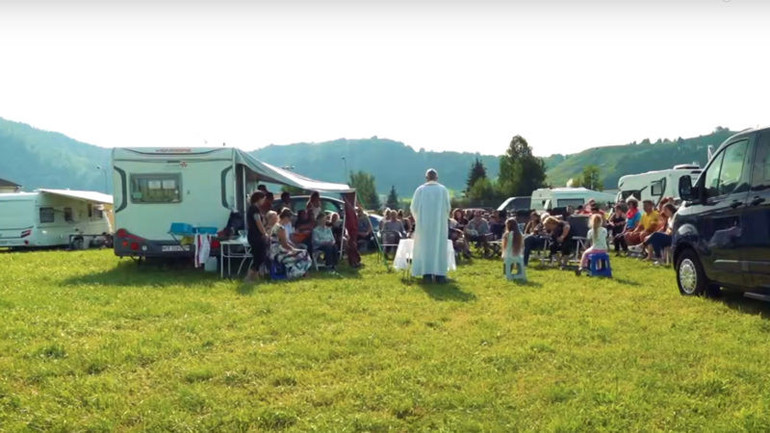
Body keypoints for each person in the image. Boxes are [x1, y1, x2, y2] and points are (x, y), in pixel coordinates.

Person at [410, 168, 451, 283]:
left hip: (424, 227)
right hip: (439, 226)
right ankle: (440, 275)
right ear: (436, 178)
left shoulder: (420, 190)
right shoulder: (443, 190)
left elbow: (413, 208)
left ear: (426, 178)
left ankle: (426, 274)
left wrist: (420, 221)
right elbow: (448, 208)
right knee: (439, 248)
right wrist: (442, 219)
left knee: (425, 248)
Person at [270, 208, 312, 278]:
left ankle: (302, 273)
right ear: (286, 218)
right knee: (304, 254)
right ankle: (298, 273)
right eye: (289, 219)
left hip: (274, 251)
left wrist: (294, 248)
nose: (290, 221)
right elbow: (285, 245)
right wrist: (294, 249)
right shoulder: (280, 228)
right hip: (279, 253)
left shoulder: (275, 226)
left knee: (301, 252)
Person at [244, 191, 269, 282]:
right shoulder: (254, 209)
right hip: (256, 236)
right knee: (259, 257)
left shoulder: (253, 209)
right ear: (259, 199)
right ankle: (249, 276)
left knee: (258, 256)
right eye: (263, 199)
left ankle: (255, 277)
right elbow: (258, 223)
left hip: (253, 235)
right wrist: (264, 233)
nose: (263, 201)